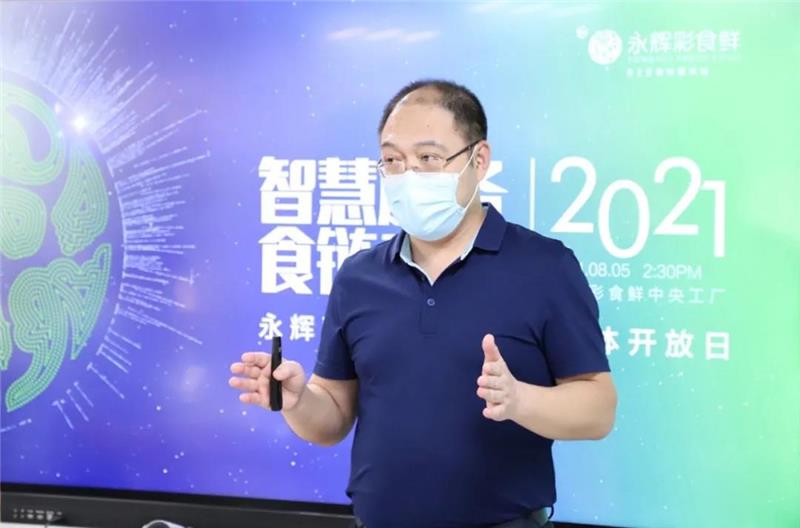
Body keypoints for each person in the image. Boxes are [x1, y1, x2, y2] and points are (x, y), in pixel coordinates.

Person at [229, 80, 617, 528]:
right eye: (393, 160)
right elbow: (332, 417)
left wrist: (520, 400)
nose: (408, 176)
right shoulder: (359, 278)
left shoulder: (545, 267)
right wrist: (297, 401)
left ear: (479, 160)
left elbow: (598, 409)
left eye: (429, 158)